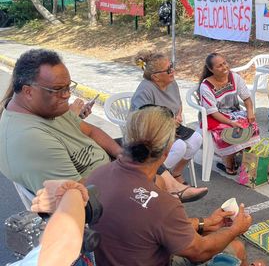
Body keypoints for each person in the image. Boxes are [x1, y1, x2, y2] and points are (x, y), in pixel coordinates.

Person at [0, 48, 205, 202]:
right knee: (149, 164)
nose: (67, 95)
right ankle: (173, 205)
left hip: (104, 169)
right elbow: (79, 196)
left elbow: (91, 130)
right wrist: (133, 170)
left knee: (143, 147)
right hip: (103, 201)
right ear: (28, 91)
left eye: (68, 87)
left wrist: (121, 153)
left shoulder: (47, 108)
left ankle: (170, 187)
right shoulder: (31, 139)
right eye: (58, 90)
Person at [86, 106, 255, 266]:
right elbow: (200, 251)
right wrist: (235, 229)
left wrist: (206, 223)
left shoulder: (97, 175)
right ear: (168, 149)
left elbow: (153, 226)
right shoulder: (162, 204)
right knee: (236, 247)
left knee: (213, 233)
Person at [131, 50, 203, 184]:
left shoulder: (172, 83)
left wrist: (179, 114)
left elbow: (178, 103)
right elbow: (143, 121)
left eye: (171, 66)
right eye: (168, 70)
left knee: (196, 139)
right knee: (179, 146)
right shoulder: (145, 91)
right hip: (148, 133)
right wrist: (168, 123)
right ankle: (154, 178)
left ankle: (176, 173)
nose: (173, 71)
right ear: (155, 77)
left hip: (171, 127)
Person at [198, 53, 260, 176]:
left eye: (225, 63)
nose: (225, 67)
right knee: (229, 131)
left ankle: (248, 163)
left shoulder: (235, 77)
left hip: (234, 112)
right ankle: (228, 162)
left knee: (252, 126)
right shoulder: (206, 86)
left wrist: (250, 112)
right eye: (219, 66)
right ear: (211, 69)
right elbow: (213, 112)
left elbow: (247, 98)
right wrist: (231, 122)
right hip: (216, 116)